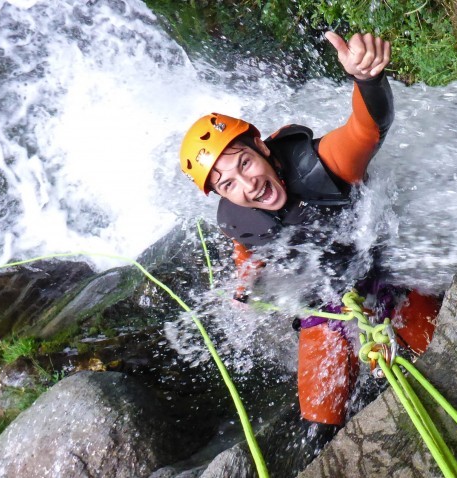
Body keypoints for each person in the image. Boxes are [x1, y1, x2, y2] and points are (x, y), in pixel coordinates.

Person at [179, 31, 439, 426]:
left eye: (244, 163)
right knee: (319, 419)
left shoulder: (322, 166)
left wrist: (367, 80)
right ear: (220, 194)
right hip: (328, 300)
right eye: (228, 183)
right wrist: (244, 280)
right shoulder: (236, 215)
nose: (247, 185)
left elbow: (366, 129)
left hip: (388, 275)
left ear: (262, 147)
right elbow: (248, 244)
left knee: (444, 359)